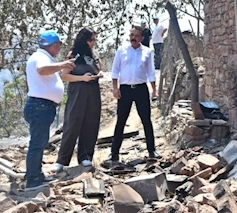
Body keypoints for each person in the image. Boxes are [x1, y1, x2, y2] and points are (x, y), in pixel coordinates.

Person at [23, 31, 79, 189]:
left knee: (39, 142)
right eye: (59, 45)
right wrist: (62, 65)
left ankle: (37, 174)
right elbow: (42, 70)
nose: (60, 48)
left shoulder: (44, 57)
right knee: (37, 143)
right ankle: (32, 180)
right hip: (40, 106)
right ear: (54, 45)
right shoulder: (41, 58)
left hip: (42, 106)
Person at [49, 27, 103, 173]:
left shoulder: (95, 54)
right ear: (83, 40)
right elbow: (64, 76)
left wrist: (98, 74)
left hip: (93, 90)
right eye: (91, 40)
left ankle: (85, 156)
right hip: (78, 90)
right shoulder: (74, 55)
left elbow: (98, 68)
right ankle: (62, 160)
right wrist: (82, 78)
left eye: (94, 40)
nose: (93, 43)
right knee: (72, 123)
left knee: (91, 122)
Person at [108, 26, 160, 164]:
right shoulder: (122, 50)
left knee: (146, 120)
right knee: (121, 121)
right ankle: (114, 154)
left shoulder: (147, 52)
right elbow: (115, 71)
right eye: (132, 34)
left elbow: (151, 72)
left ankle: (152, 150)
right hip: (125, 90)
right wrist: (115, 88)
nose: (133, 37)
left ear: (142, 38)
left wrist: (154, 90)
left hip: (141, 89)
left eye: (136, 35)